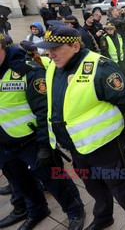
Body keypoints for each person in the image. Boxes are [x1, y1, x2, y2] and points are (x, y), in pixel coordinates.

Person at [35, 26, 125, 230]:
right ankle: (104, 217)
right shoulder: (55, 65)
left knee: (124, 191)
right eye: (48, 49)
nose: (50, 54)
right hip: (76, 146)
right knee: (94, 187)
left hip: (106, 148)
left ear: (76, 46)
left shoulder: (100, 67)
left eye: (56, 48)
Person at [0, 32, 86, 230]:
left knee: (55, 179)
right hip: (4, 144)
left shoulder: (27, 71)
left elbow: (44, 112)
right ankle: (36, 209)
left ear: (3, 46)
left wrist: (45, 145)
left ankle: (74, 210)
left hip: (31, 141)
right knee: (20, 183)